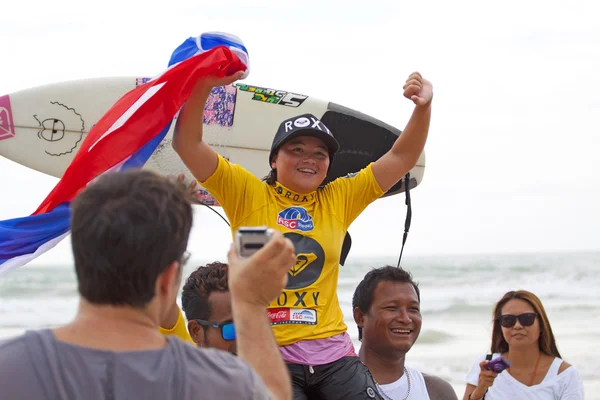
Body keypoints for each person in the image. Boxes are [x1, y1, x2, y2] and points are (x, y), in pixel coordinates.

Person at [173, 69, 432, 400]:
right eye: (296, 149)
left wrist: (423, 106)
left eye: (320, 154)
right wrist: (203, 86)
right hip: (270, 353)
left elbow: (402, 156)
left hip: (334, 356)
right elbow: (188, 143)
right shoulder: (245, 192)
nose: (309, 159)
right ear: (274, 159)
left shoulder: (339, 197)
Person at [0, 169, 296, 400]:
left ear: (81, 261)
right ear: (169, 278)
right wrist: (251, 303)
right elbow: (270, 393)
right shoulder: (219, 382)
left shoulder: (10, 366)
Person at [353, 266, 458, 400]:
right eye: (392, 308)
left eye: (413, 309)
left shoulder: (436, 392)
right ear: (360, 317)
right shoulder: (334, 388)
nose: (405, 318)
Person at [463, 290, 585, 400]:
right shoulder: (485, 366)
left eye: (526, 319)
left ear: (541, 324)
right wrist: (480, 390)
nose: (517, 326)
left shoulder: (565, 375)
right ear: (500, 327)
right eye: (508, 320)